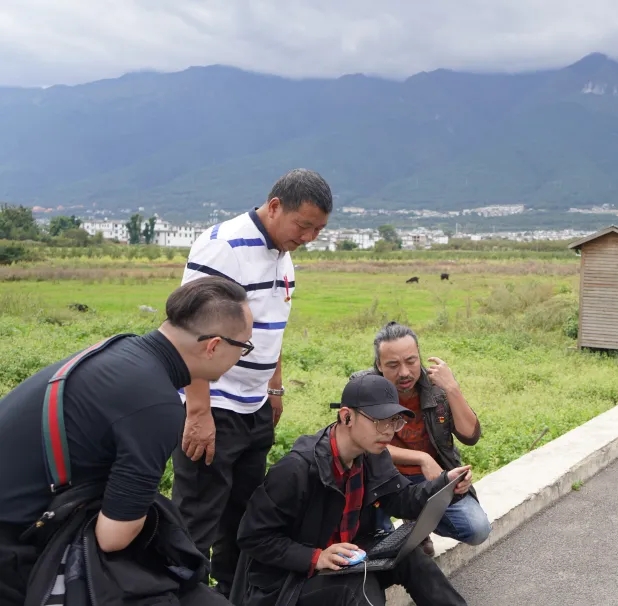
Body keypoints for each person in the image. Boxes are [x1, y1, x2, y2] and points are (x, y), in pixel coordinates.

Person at [0, 276, 253, 606]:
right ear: (214, 346)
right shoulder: (156, 405)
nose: (242, 356)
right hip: (17, 550)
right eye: (243, 347)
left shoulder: (123, 350)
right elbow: (113, 537)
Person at [172, 168, 333, 595]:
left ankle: (232, 596)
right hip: (215, 405)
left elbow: (270, 330)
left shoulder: (283, 254)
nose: (309, 237)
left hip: (254, 406)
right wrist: (198, 412)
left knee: (243, 517)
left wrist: (273, 389)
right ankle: (181, 596)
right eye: (304, 225)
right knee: (197, 517)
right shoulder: (224, 247)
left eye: (318, 230)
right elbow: (190, 334)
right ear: (275, 206)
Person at [232, 373, 471, 606]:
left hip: (347, 560)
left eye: (394, 421)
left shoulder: (372, 454)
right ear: (347, 417)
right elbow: (253, 537)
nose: (389, 431)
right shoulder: (296, 470)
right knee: (360, 587)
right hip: (291, 581)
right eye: (380, 421)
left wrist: (445, 484)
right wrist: (316, 557)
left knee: (412, 558)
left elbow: (401, 500)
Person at [355, 321, 491, 550]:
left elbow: (470, 436)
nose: (404, 373)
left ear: (419, 356)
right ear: (379, 364)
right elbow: (360, 441)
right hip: (384, 479)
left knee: (477, 528)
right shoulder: (364, 388)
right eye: (393, 365)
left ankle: (417, 523)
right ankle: (396, 532)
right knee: (379, 545)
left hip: (432, 478)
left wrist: (452, 388)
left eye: (411, 361)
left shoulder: (436, 388)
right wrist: (421, 457)